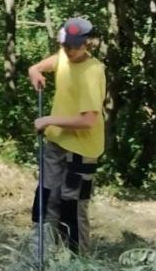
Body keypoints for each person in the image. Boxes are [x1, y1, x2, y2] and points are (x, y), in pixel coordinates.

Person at [28, 17, 106, 253]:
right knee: (47, 195)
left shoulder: (93, 73)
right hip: (56, 143)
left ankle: (76, 264)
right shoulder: (64, 56)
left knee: (71, 204)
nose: (68, 50)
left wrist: (49, 120)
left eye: (74, 46)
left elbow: (88, 120)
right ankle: (41, 252)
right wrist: (35, 70)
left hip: (81, 150)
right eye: (65, 45)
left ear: (88, 44)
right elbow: (48, 64)